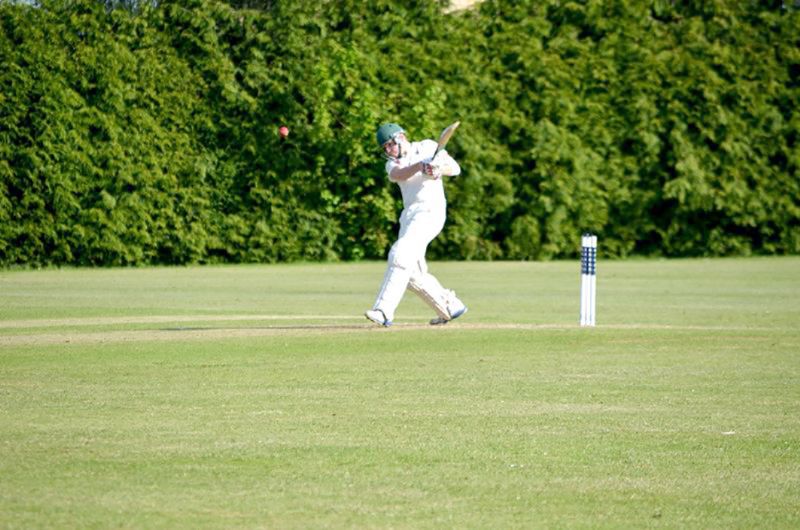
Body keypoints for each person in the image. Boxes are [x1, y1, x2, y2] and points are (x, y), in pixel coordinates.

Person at [365, 123, 468, 327]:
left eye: (389, 145)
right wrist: (421, 166)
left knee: (399, 254)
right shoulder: (392, 164)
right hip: (410, 215)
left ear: (400, 138)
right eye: (385, 148)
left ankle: (383, 310)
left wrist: (438, 169)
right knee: (411, 273)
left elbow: (455, 169)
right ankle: (449, 306)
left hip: (430, 210)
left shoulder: (428, 147)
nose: (388, 151)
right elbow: (398, 175)